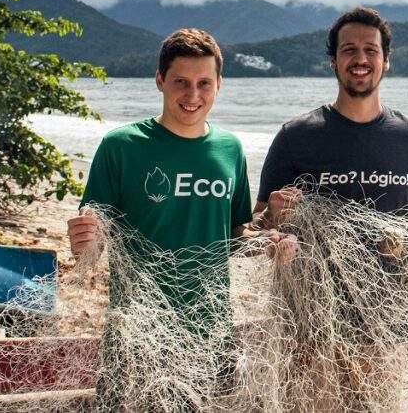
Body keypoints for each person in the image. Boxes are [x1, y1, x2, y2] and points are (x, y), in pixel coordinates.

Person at [253, 7, 408, 408]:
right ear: (333, 61)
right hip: (308, 325)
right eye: (349, 50)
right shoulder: (296, 137)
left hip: (385, 327)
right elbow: (257, 223)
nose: (360, 59)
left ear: (385, 60)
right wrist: (272, 215)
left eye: (370, 50)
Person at [67, 28, 294, 405]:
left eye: (204, 83)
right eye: (181, 82)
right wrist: (84, 240)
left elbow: (237, 233)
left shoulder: (229, 149)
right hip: (137, 334)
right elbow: (92, 245)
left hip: (213, 331)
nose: (193, 95)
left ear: (219, 84)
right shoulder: (121, 147)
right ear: (159, 80)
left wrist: (269, 235)